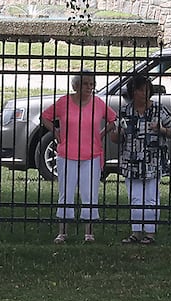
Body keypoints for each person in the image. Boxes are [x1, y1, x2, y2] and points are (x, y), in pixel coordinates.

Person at [39, 69, 117, 244]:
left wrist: (101, 134)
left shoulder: (98, 103)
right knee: (65, 193)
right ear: (76, 86)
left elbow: (113, 119)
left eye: (92, 84)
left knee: (90, 193)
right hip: (67, 154)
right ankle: (63, 232)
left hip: (92, 154)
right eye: (86, 84)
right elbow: (44, 117)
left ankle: (89, 232)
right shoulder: (64, 102)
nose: (90, 87)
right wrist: (56, 132)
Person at [113, 73, 171, 246]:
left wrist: (161, 129)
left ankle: (150, 233)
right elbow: (115, 138)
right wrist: (119, 132)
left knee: (151, 198)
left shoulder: (159, 109)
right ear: (133, 92)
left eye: (147, 89)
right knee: (135, 198)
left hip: (153, 162)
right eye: (141, 90)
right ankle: (136, 232)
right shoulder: (125, 111)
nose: (144, 93)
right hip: (131, 161)